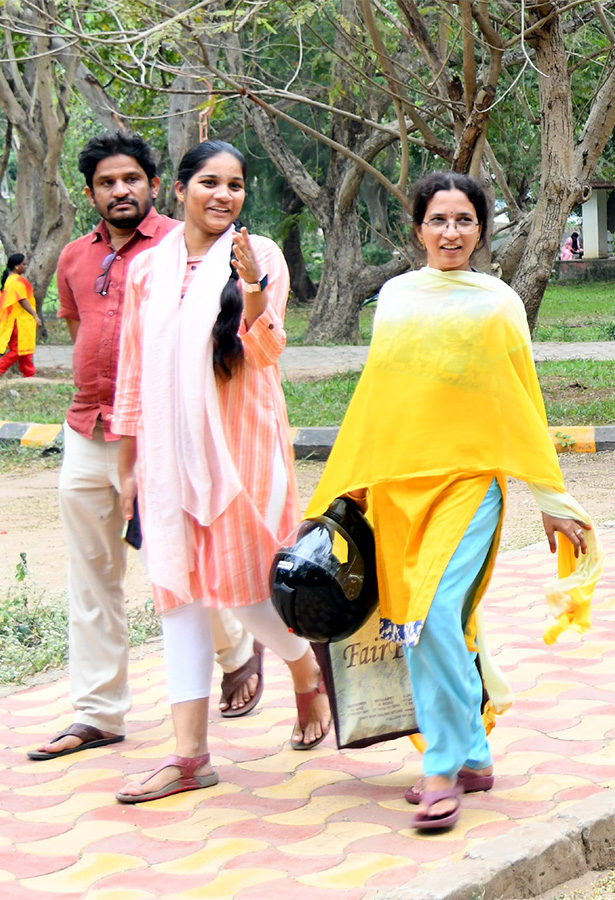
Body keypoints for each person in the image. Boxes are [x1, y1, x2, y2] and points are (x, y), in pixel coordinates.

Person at [306, 171, 603, 832]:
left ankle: (441, 766)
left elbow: (524, 400)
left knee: (436, 612)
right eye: (438, 220)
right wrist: (347, 487)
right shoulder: (396, 297)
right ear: (418, 228)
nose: (450, 233)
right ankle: (472, 751)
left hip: (470, 485)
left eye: (463, 220)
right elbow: (380, 397)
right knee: (413, 620)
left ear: (482, 228)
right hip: (395, 488)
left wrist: (551, 498)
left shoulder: (498, 303)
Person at [28, 133, 263, 763]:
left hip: (165, 437)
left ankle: (238, 650)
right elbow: (86, 332)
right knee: (93, 576)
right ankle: (98, 712)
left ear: (157, 186)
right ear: (91, 194)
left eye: (132, 179)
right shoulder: (76, 257)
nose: (120, 191)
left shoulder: (182, 247)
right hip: (87, 427)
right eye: (107, 183)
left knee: (185, 567)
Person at [110, 140, 330, 802]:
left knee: (241, 590)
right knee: (177, 592)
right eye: (209, 181)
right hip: (168, 454)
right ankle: (188, 756)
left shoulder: (259, 256)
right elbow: (132, 371)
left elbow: (264, 352)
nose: (223, 195)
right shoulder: (148, 270)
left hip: (241, 451)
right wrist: (128, 471)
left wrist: (255, 289)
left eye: (235, 184)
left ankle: (302, 671)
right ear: (178, 190)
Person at [0, 253, 40, 377]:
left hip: (19, 320)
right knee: (18, 349)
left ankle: (29, 374)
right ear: (16, 266)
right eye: (24, 264)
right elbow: (23, 300)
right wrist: (35, 315)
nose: (26, 266)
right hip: (19, 321)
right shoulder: (16, 281)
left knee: (25, 350)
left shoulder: (10, 280)